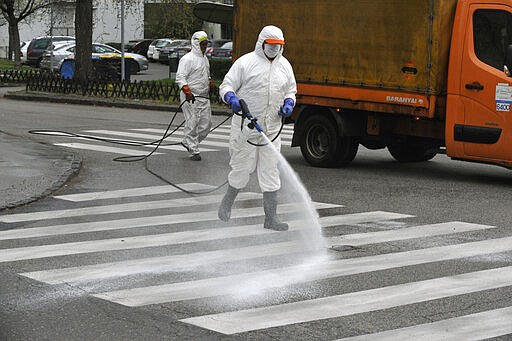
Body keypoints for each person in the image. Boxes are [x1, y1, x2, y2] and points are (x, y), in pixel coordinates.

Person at [217, 25, 297, 231]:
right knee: (242, 168)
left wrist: (289, 103)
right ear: (262, 43)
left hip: (272, 129)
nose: (274, 49)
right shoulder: (245, 63)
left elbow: (291, 90)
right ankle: (227, 203)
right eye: (270, 45)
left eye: (278, 45)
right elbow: (226, 86)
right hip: (246, 128)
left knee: (271, 171)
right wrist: (231, 98)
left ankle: (270, 218)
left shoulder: (285, 66)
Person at [176, 31, 215, 161]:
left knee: (206, 124)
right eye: (202, 44)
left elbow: (206, 75)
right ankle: (193, 150)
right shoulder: (187, 59)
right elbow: (180, 77)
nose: (204, 47)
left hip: (203, 96)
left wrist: (210, 83)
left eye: (206, 44)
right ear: (196, 43)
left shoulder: (205, 59)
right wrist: (187, 92)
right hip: (191, 96)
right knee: (192, 122)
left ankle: (188, 142)